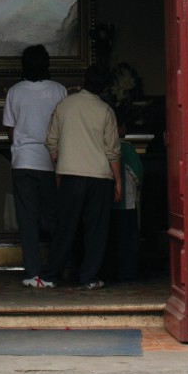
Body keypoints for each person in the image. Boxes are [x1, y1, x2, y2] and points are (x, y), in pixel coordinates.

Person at [40, 65, 122, 290]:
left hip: (70, 176)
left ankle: (50, 275)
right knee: (96, 231)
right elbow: (112, 151)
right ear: (104, 87)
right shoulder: (105, 110)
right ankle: (88, 277)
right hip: (99, 177)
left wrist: (61, 163)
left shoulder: (65, 105)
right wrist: (118, 181)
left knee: (65, 228)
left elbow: (51, 142)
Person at [2, 45, 68, 288]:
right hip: (52, 161)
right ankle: (54, 269)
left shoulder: (15, 91)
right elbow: (64, 126)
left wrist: (22, 145)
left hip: (23, 162)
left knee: (27, 218)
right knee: (54, 217)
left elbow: (10, 128)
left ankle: (32, 272)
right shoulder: (59, 90)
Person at [104, 109, 143, 284]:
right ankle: (127, 273)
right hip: (126, 202)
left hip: (105, 202)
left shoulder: (100, 145)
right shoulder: (126, 148)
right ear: (118, 127)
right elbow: (138, 174)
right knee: (127, 239)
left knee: (108, 238)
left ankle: (108, 272)